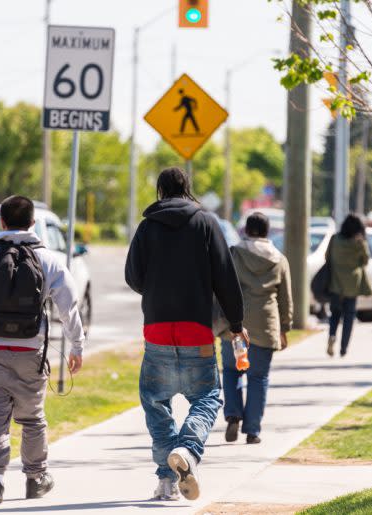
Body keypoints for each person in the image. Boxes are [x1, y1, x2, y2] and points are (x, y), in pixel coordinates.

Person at [125, 167, 247, 502]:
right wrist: (236, 323)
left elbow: (133, 275)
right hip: (196, 329)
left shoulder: (147, 227)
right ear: (187, 188)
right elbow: (225, 277)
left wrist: (154, 291)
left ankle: (166, 484)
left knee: (155, 401)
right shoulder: (206, 223)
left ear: (160, 190)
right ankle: (188, 450)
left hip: (157, 328)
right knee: (207, 397)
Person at [0, 195, 85, 505]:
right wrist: (77, 345)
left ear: (0, 222)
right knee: (32, 419)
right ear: (33, 223)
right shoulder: (48, 258)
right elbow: (68, 305)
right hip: (32, 352)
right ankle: (35, 478)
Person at [218, 212, 292, 445]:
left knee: (231, 371)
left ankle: (233, 416)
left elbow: (222, 288)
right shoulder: (279, 260)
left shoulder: (234, 254)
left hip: (234, 325)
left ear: (246, 231)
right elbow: (285, 299)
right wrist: (284, 327)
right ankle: (253, 431)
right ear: (267, 232)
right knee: (258, 377)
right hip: (265, 325)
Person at [325, 213, 372, 357]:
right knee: (349, 317)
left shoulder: (335, 239)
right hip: (352, 285)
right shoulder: (359, 243)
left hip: (336, 284)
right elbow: (365, 261)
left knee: (334, 314)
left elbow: (327, 257)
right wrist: (362, 244)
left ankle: (332, 334)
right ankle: (343, 348)